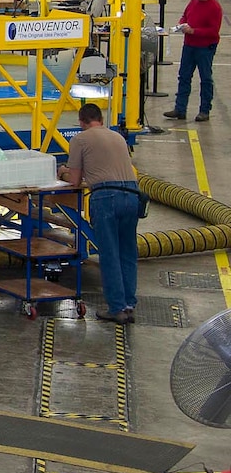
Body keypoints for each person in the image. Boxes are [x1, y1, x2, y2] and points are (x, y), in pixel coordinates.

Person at [58, 103, 139, 324]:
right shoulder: (118, 137)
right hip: (132, 195)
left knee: (110, 253)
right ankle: (129, 304)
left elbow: (74, 181)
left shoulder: (80, 139)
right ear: (101, 120)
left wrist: (63, 171)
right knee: (127, 252)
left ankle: (116, 308)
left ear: (82, 121)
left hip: (106, 198)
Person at [164, 0, 222, 122]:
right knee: (184, 76)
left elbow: (213, 31)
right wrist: (182, 24)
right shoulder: (193, 2)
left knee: (206, 79)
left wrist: (194, 31)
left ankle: (204, 110)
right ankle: (180, 109)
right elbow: (185, 16)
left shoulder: (214, 8)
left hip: (205, 48)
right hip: (189, 46)